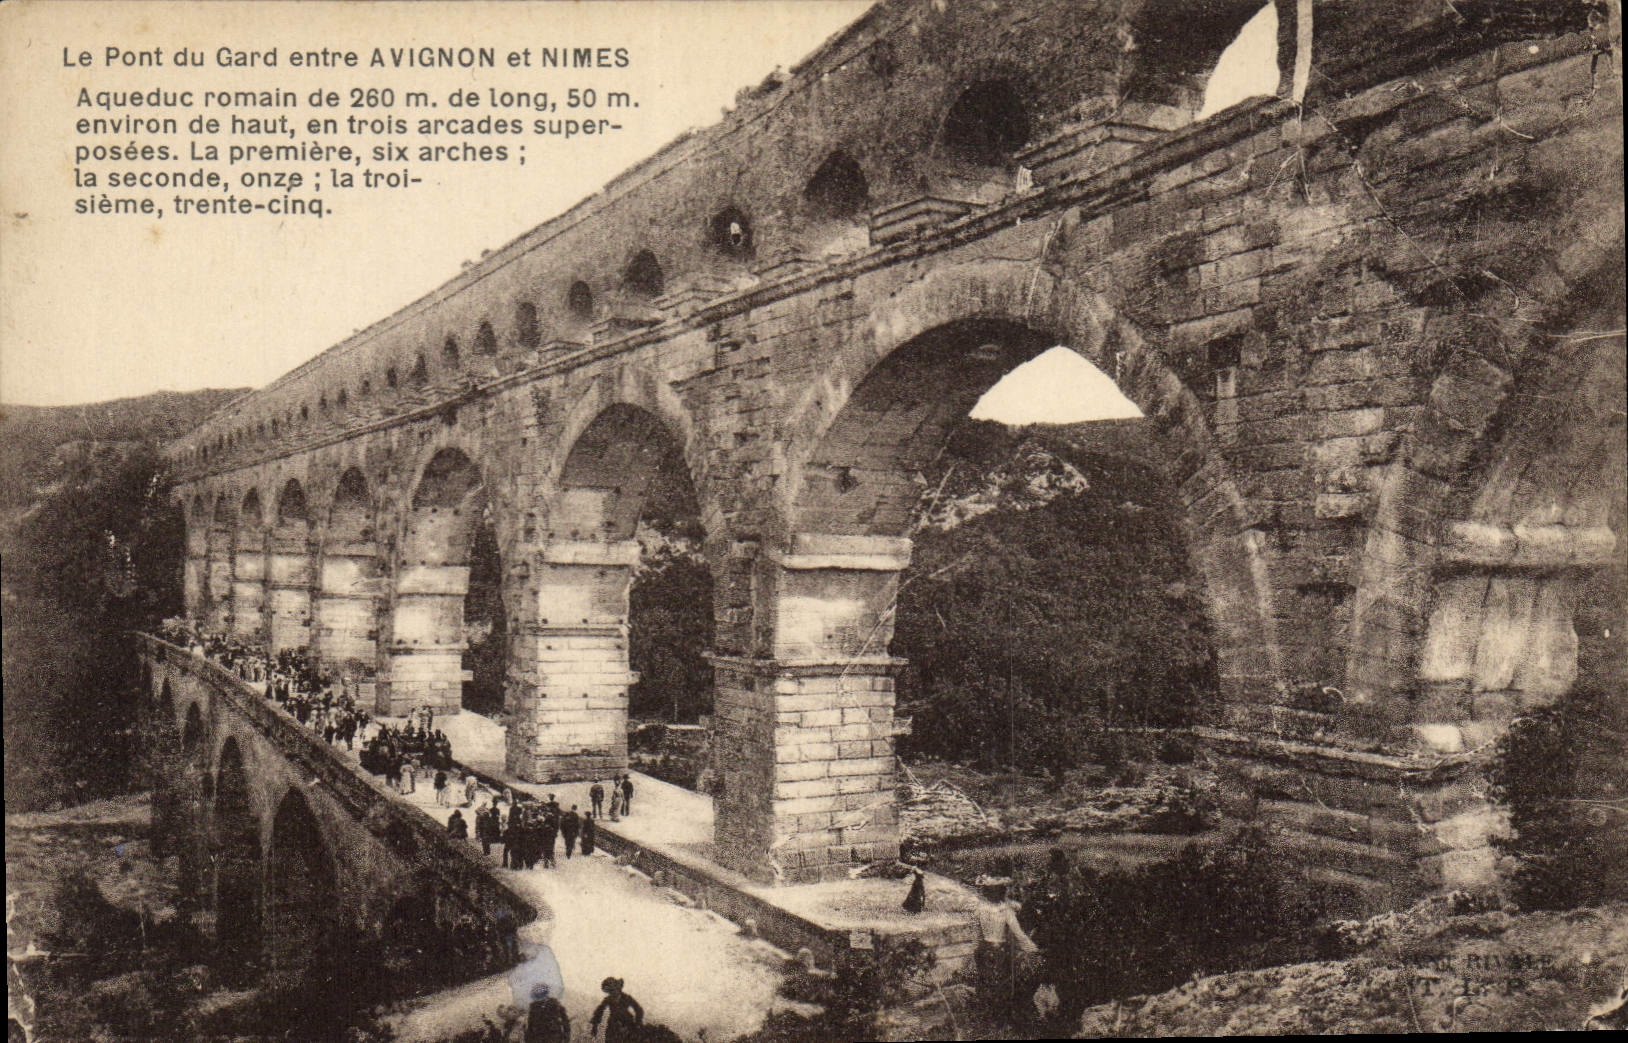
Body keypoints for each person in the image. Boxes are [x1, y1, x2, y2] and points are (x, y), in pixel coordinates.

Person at [973, 875, 1041, 1014]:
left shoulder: (980, 909)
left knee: (986, 979)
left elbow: (977, 935)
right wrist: (1034, 949)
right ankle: (1005, 1011)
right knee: (1007, 980)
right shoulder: (1006, 911)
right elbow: (1019, 934)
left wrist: (975, 950)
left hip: (984, 950)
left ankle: (985, 1009)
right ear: (1001, 892)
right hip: (1001, 951)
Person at [589, 977, 643, 1043]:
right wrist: (595, 1026)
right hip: (613, 1026)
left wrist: (637, 1023)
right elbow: (599, 1011)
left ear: (618, 988)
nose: (612, 993)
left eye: (613, 990)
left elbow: (639, 1009)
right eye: (610, 991)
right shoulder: (608, 999)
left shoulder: (627, 998)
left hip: (627, 1025)